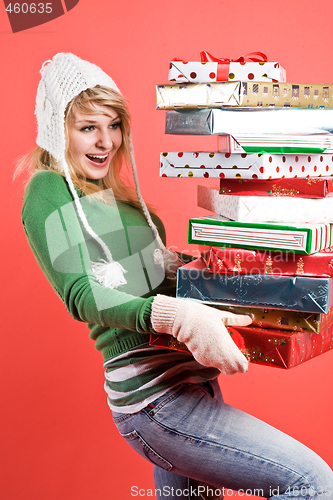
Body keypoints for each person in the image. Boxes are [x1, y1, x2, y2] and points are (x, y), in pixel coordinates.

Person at [17, 53, 333, 500]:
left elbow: (162, 277)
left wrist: (246, 267)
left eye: (113, 125)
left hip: (196, 386)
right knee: (313, 483)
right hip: (155, 402)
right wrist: (177, 316)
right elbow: (83, 294)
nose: (105, 140)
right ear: (56, 130)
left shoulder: (125, 203)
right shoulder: (48, 189)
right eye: (88, 127)